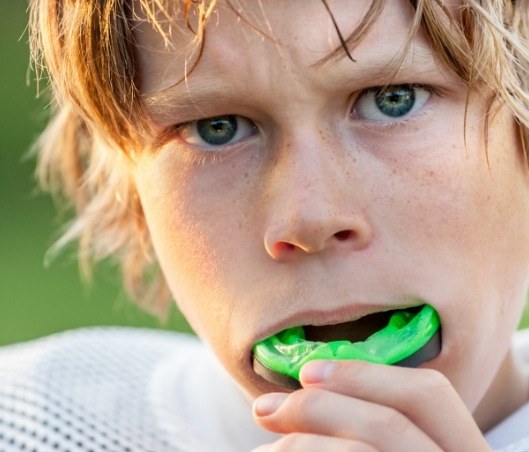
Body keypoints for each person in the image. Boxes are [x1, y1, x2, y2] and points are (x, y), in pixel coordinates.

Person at [2, 0, 529, 450]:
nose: (309, 218)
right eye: (217, 129)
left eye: (393, 99)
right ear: (133, 194)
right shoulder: (31, 422)